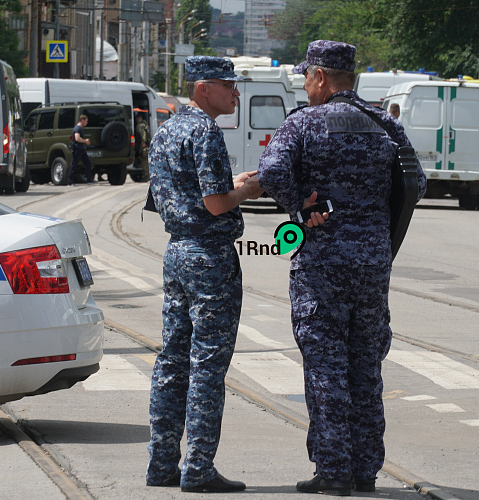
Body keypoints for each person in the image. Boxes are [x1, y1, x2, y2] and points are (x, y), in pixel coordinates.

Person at [257, 40, 426, 496]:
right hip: (373, 264)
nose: (306, 85)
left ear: (321, 77)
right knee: (366, 367)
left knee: (326, 368)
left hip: (323, 265)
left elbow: (271, 170)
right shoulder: (384, 124)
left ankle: (333, 470)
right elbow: (416, 182)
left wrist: (299, 205)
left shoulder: (303, 123)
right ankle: (366, 469)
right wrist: (375, 222)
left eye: (307, 77)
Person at [145, 55, 264, 493]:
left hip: (177, 253)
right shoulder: (206, 131)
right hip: (209, 259)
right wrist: (247, 189)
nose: (235, 93)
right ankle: (198, 469)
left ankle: (161, 464)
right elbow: (216, 203)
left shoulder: (169, 131)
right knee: (208, 366)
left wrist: (229, 183)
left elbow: (179, 192)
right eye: (226, 85)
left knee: (172, 362)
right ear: (202, 89)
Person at [68, 114, 94, 185]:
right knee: (74, 165)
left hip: (81, 150)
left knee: (88, 163)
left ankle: (89, 180)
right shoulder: (77, 128)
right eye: (86, 121)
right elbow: (77, 138)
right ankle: (70, 182)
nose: (87, 122)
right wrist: (85, 141)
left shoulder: (80, 128)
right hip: (77, 149)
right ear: (82, 120)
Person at [134, 112, 151, 182]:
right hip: (147, 145)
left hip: (144, 145)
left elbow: (143, 134)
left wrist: (143, 142)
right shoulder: (145, 124)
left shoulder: (140, 125)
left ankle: (146, 176)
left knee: (144, 161)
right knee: (146, 161)